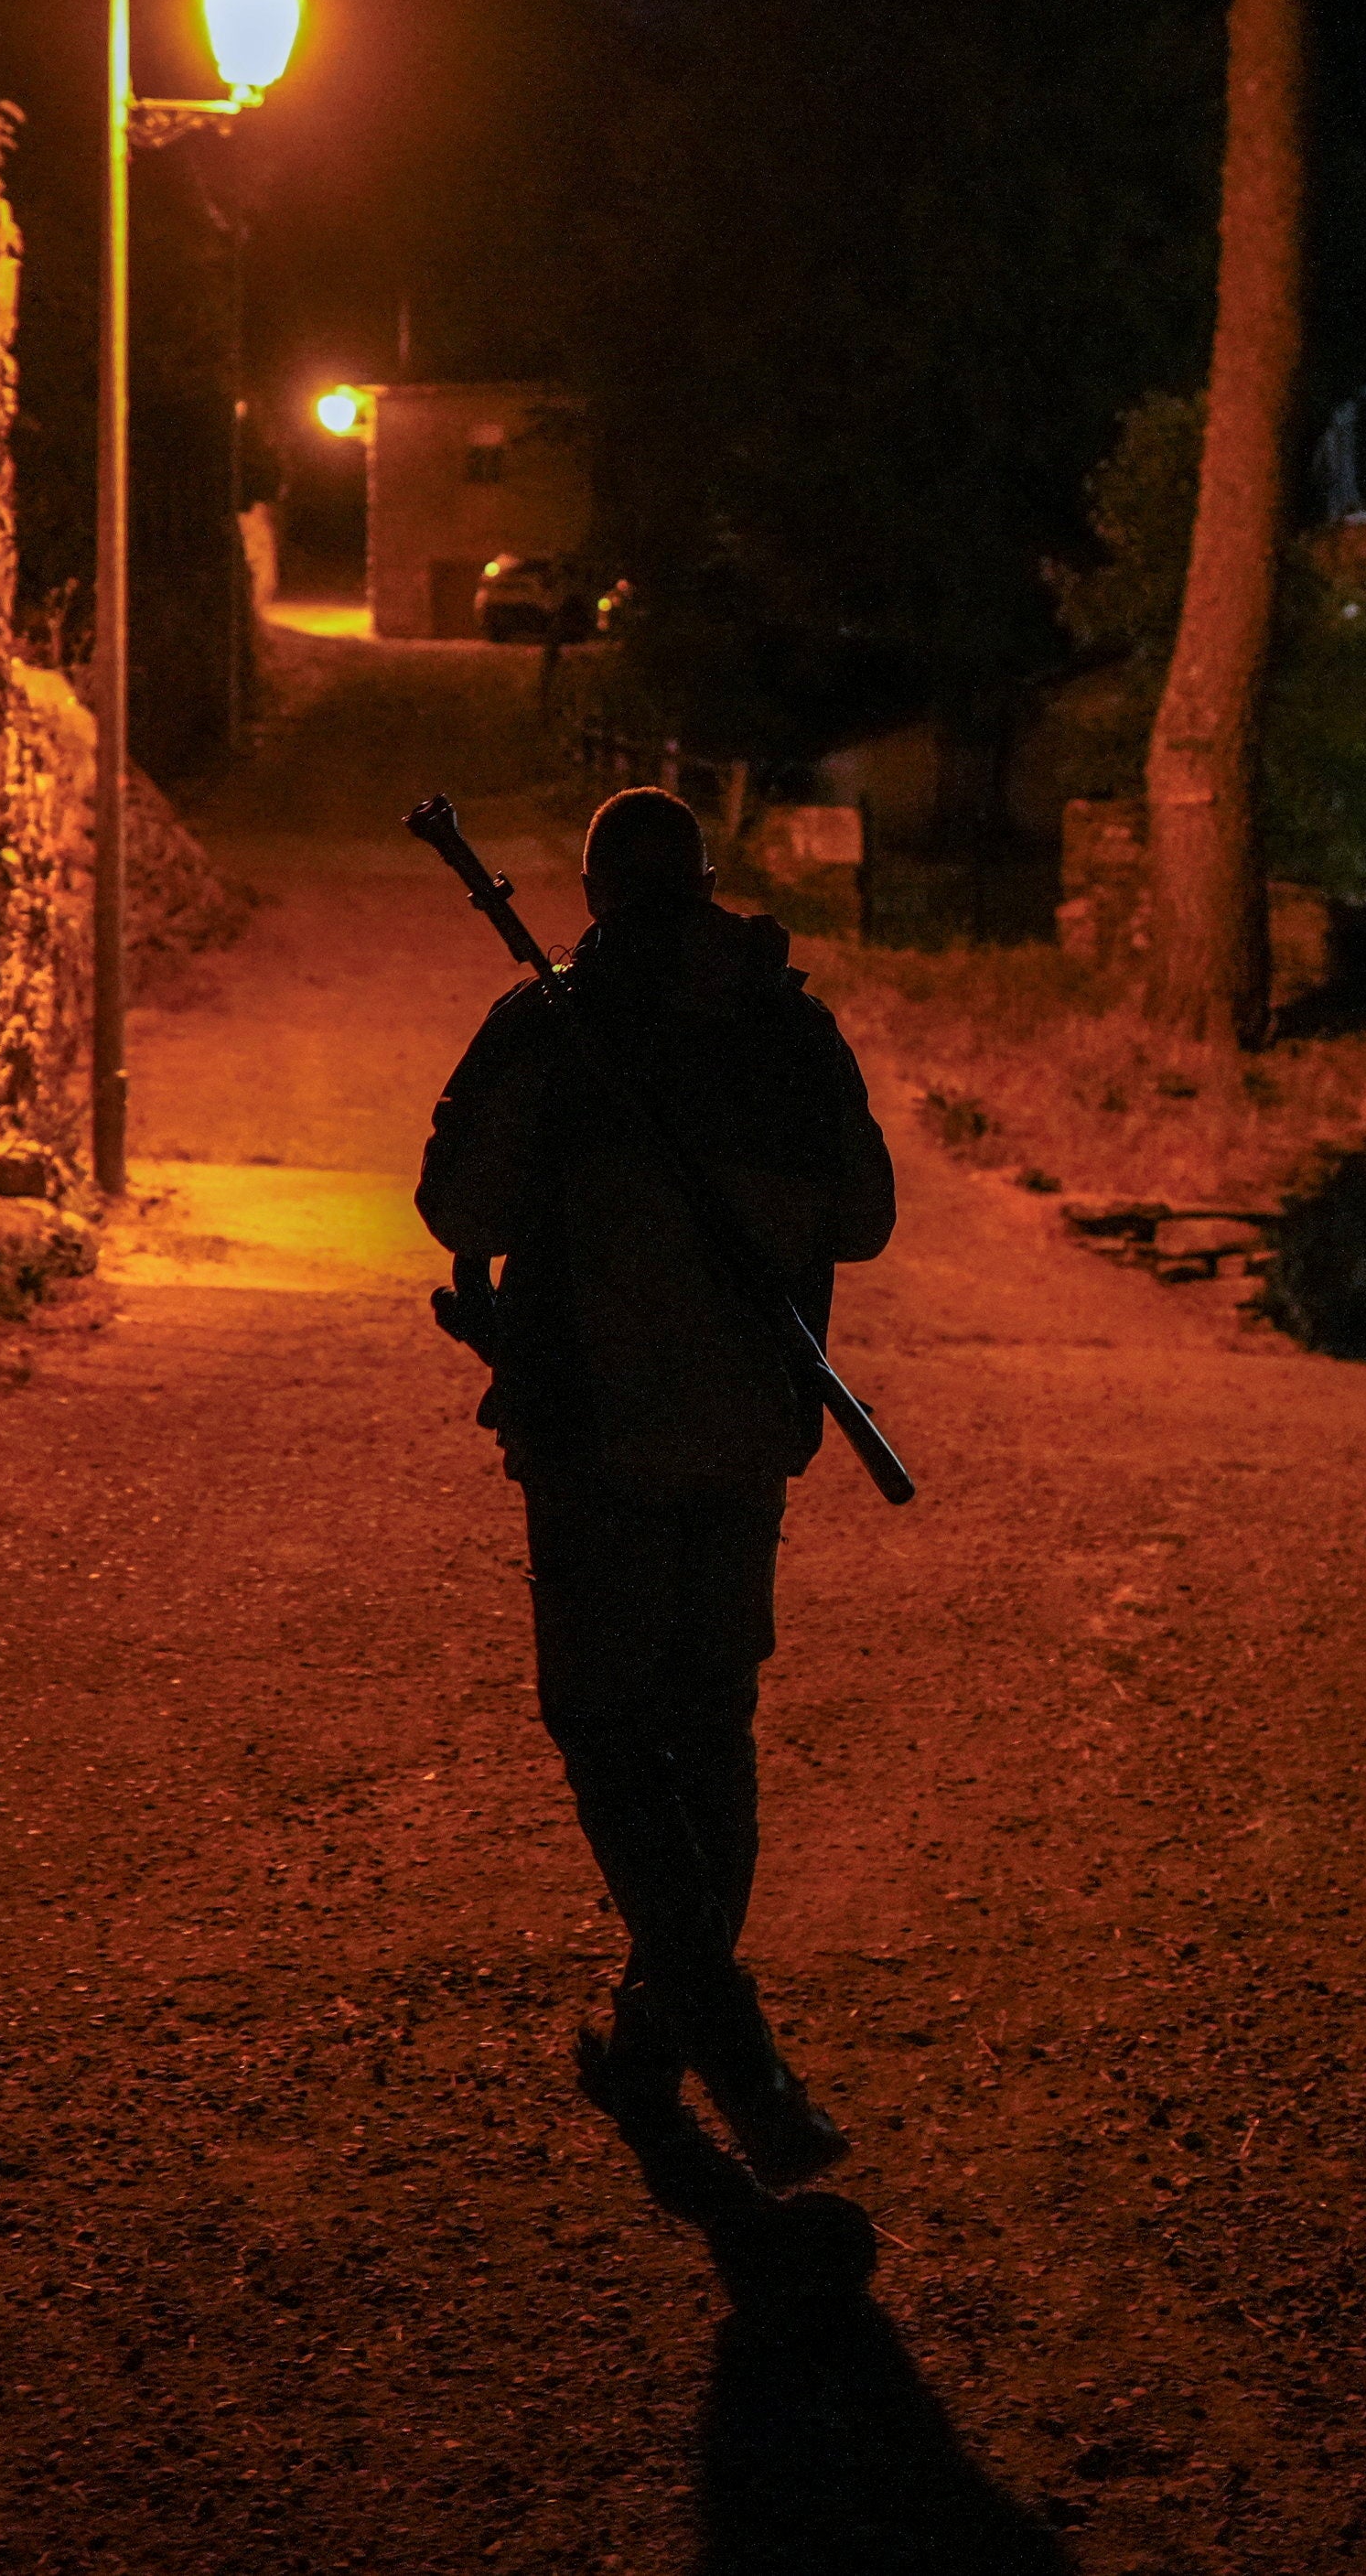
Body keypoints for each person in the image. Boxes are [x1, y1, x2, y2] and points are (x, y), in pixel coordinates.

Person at [417, 785, 895, 2187]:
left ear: (595, 898)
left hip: (593, 1438)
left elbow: (459, 1210)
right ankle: (653, 2034)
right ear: (701, 881)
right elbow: (863, 1217)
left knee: (611, 1735)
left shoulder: (555, 1023)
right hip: (747, 1431)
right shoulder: (789, 1025)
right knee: (713, 1731)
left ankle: (735, 2057)